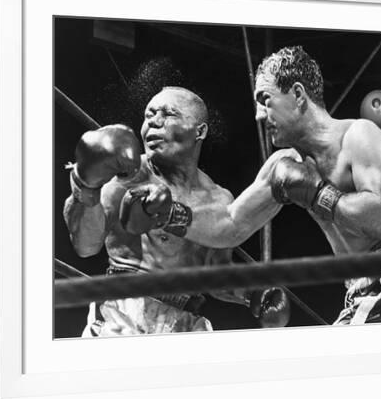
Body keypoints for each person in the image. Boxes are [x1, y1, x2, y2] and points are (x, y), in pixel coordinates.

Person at [176, 46, 381, 325]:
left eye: (265, 100)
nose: (258, 115)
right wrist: (171, 214)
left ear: (297, 94)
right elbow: (230, 224)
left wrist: (318, 193)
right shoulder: (284, 163)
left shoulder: (360, 136)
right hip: (359, 292)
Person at [63, 86, 290, 336]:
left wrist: (251, 293)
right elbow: (85, 246)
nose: (154, 123)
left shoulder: (218, 198)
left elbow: (214, 274)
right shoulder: (127, 177)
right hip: (124, 311)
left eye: (168, 114)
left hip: (185, 321)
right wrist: (84, 185)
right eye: (149, 115)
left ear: (199, 131)